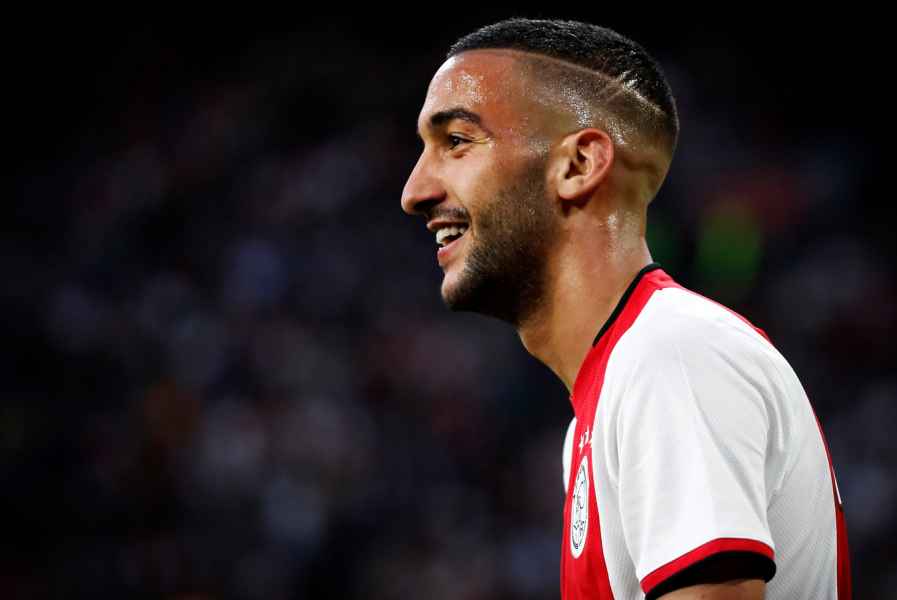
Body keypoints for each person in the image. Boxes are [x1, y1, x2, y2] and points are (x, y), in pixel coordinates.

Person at [400, 17, 851, 600]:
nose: (415, 191)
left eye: (457, 142)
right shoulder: (611, 399)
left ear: (578, 165)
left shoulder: (670, 356)